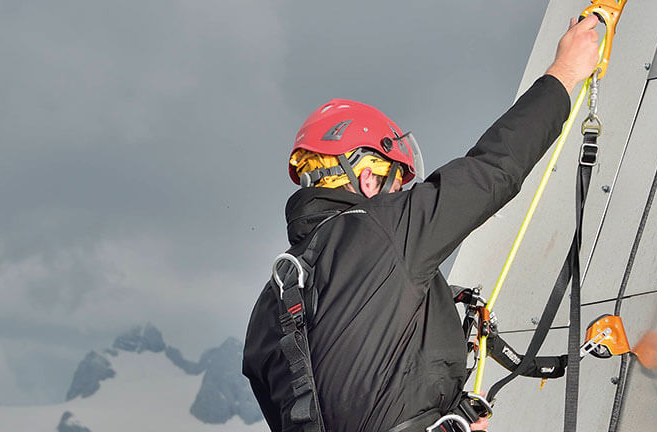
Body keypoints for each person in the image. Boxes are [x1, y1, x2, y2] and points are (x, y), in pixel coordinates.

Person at [244, 17, 603, 432]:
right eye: (398, 182)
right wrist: (565, 73)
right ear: (368, 177)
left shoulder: (267, 311)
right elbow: (493, 168)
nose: (401, 195)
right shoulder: (385, 229)